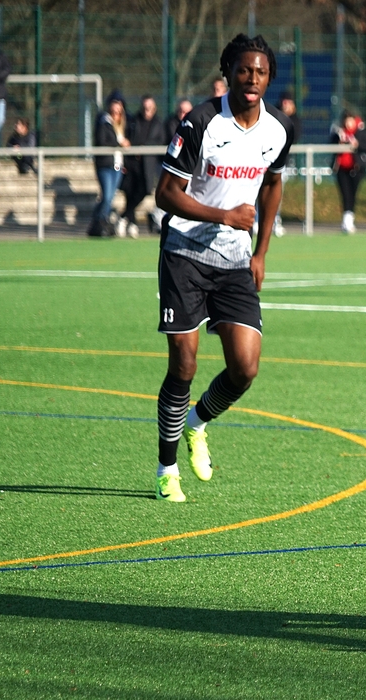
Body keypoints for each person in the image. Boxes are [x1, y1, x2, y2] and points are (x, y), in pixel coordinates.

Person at [153, 34, 293, 503]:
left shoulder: (278, 129)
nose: (252, 79)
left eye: (261, 72)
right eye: (244, 70)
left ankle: (197, 423)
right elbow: (165, 193)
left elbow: (272, 185)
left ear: (269, 78)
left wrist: (261, 252)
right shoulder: (201, 122)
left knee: (245, 368)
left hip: (235, 259)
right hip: (184, 253)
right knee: (185, 363)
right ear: (228, 71)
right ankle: (166, 468)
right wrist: (224, 216)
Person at [122, 94, 166, 238]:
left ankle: (123, 216)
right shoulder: (134, 121)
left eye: (149, 107)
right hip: (132, 163)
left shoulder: (158, 123)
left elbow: (161, 141)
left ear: (154, 108)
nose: (147, 110)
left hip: (148, 165)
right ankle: (131, 223)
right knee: (130, 193)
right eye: (145, 107)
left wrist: (144, 147)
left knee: (145, 190)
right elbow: (128, 138)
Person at [87, 91, 130, 237]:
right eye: (114, 103)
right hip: (105, 164)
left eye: (119, 104)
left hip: (118, 165)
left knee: (110, 198)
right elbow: (101, 141)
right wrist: (119, 143)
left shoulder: (123, 122)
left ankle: (97, 224)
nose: (117, 107)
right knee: (106, 196)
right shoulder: (103, 120)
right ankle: (100, 222)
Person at [331, 108, 366, 234]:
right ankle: (346, 220)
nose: (348, 124)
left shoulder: (360, 132)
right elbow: (331, 144)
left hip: (356, 168)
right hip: (341, 168)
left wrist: (357, 144)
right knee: (345, 194)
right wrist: (339, 142)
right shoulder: (339, 132)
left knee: (353, 194)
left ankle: (350, 219)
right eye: (346, 121)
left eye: (350, 121)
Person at [272, 90, 303, 237]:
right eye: (284, 101)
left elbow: (294, 136)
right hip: (267, 160)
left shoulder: (295, 119)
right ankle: (258, 220)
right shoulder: (273, 115)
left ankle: (275, 221)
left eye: (288, 102)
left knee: (277, 192)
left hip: (283, 162)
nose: (285, 104)